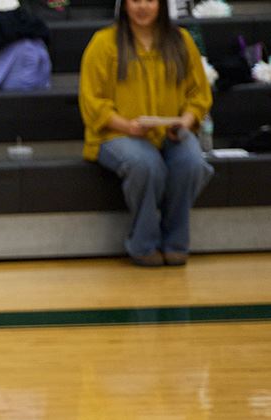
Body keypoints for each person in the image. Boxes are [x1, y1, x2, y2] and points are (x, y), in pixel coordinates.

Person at [79, 0, 213, 266]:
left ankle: (175, 242)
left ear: (162, 4)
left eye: (150, 0)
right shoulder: (104, 42)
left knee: (192, 162)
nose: (143, 6)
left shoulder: (181, 40)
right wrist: (126, 126)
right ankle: (143, 244)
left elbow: (198, 93)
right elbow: (92, 100)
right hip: (115, 135)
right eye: (135, 0)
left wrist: (186, 121)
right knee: (146, 164)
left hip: (171, 132)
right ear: (123, 5)